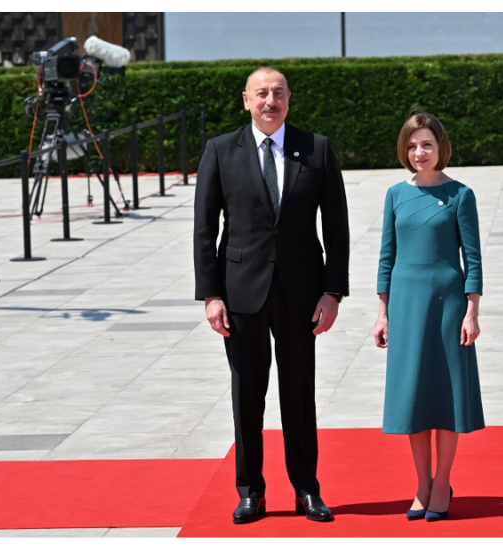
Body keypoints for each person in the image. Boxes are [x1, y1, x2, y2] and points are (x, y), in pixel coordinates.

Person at [194, 67, 350, 524]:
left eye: (278, 93)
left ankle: (306, 489)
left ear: (288, 99)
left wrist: (332, 291)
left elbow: (336, 227)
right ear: (246, 100)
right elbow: (205, 229)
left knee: (299, 393)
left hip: (302, 293)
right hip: (240, 293)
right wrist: (211, 294)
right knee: (247, 394)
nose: (270, 101)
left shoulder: (316, 148)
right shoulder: (221, 150)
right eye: (261, 93)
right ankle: (251, 491)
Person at [373, 111, 484, 522]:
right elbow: (386, 257)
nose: (419, 152)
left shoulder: (461, 195)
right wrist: (382, 314)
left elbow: (473, 259)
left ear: (441, 148)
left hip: (448, 306)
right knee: (414, 397)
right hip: (406, 306)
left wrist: (472, 312)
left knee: (447, 395)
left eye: (427, 145)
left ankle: (443, 482)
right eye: (413, 145)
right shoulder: (395, 195)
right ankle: (422, 483)